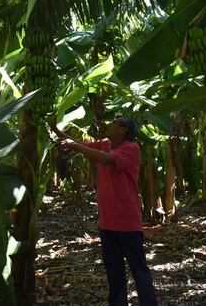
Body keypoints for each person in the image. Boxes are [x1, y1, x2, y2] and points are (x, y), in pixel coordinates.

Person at [50, 116, 159, 306]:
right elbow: (79, 144)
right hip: (107, 222)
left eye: (114, 123)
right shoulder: (106, 144)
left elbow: (106, 160)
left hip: (127, 222)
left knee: (138, 269)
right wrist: (54, 128)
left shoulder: (130, 148)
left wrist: (75, 147)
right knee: (113, 269)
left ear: (123, 129)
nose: (110, 124)